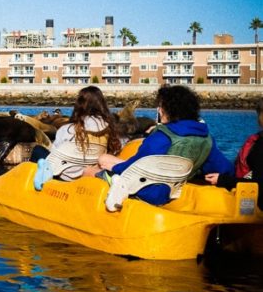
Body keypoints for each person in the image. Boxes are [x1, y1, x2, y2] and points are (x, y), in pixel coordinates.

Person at [98, 84, 233, 206]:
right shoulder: (206, 139)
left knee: (97, 166)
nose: (159, 110)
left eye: (161, 106)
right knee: (107, 161)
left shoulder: (163, 136)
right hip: (174, 190)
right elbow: (224, 169)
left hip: (146, 192)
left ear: (169, 109)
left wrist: (114, 166)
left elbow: (136, 166)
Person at [32, 86, 122, 188]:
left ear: (79, 105)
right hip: (90, 169)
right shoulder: (109, 129)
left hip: (65, 174)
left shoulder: (68, 129)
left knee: (37, 150)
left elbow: (54, 154)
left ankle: (33, 186)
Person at [206, 98, 263, 208]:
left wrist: (221, 179)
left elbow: (258, 184)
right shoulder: (257, 141)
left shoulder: (259, 145)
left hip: (254, 206)